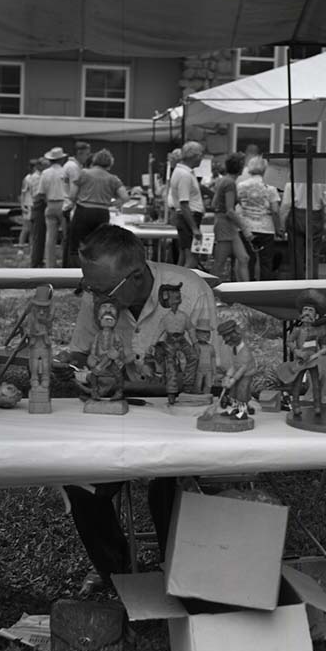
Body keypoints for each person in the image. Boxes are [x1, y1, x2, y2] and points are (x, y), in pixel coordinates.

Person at [64, 224, 218, 595]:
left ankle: (177, 574)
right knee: (79, 480)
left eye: (101, 290)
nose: (94, 296)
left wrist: (126, 383)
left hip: (177, 420)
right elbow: (78, 353)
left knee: (169, 484)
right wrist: (72, 370)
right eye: (89, 287)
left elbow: (205, 379)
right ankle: (117, 572)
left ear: (135, 277)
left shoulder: (189, 292)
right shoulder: (99, 292)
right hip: (116, 417)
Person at [67, 149, 128, 265]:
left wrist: (76, 200)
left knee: (77, 246)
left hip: (83, 211)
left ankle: (75, 273)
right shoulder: (113, 178)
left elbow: (72, 195)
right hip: (102, 213)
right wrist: (111, 203)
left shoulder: (84, 173)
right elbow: (125, 197)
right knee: (98, 247)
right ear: (110, 163)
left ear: (95, 160)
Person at [280, 172, 326, 279]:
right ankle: (312, 287)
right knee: (313, 256)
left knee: (296, 257)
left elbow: (286, 203)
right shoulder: (323, 174)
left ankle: (297, 287)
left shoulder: (294, 172)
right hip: (315, 216)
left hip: (296, 215)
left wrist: (282, 224)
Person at [236, 154, 282, 279]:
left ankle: (249, 286)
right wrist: (278, 228)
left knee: (248, 260)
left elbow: (237, 207)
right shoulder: (270, 187)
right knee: (266, 262)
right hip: (266, 228)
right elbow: (275, 210)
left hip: (246, 228)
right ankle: (265, 289)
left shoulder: (240, 186)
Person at [210, 152, 253, 281]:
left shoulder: (222, 180)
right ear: (239, 167)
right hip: (225, 224)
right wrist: (245, 227)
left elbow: (213, 203)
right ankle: (209, 292)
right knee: (220, 262)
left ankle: (244, 291)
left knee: (243, 258)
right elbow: (229, 211)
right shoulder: (230, 183)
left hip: (225, 223)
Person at [168, 141, 205, 269]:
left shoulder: (181, 172)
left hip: (185, 217)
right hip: (189, 217)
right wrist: (194, 228)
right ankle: (187, 286)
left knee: (183, 256)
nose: (201, 158)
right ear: (193, 156)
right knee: (192, 259)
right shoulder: (185, 175)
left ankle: (175, 284)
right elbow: (184, 204)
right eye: (200, 155)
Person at [61, 141, 91, 266]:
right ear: (79, 153)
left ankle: (67, 264)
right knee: (72, 241)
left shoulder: (70, 165)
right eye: (87, 154)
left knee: (68, 239)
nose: (88, 157)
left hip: (67, 204)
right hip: (71, 205)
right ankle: (70, 266)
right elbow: (74, 190)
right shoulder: (74, 167)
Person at [38, 147, 69, 267]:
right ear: (61, 159)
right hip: (64, 204)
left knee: (50, 237)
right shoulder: (65, 171)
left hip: (50, 204)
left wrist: (47, 200)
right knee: (66, 237)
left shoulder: (45, 173)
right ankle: (65, 262)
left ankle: (50, 265)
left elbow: (40, 193)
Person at [19, 159, 42, 247]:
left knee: (33, 230)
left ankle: (32, 248)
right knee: (26, 228)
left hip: (35, 205)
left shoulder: (39, 177)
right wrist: (22, 206)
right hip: (28, 206)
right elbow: (23, 193)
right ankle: (20, 248)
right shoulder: (27, 178)